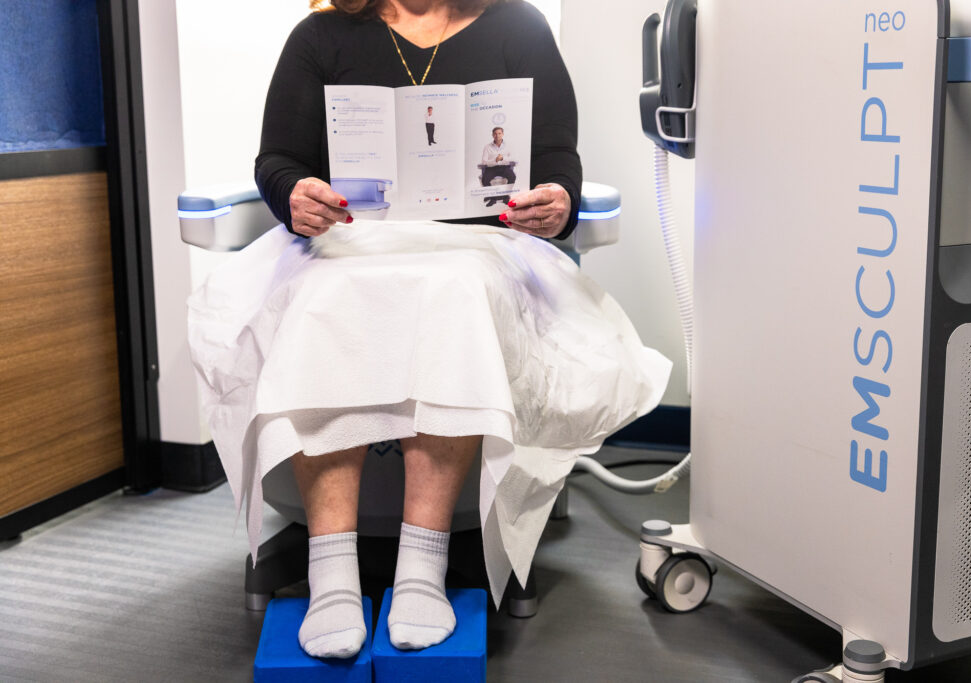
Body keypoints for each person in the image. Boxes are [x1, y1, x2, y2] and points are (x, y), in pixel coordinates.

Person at [190, 0, 669, 663]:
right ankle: (331, 571)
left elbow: (558, 160)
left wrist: (557, 199)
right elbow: (278, 160)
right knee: (325, 295)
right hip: (349, 248)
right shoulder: (320, 37)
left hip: (478, 253)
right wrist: (294, 192)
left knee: (452, 291)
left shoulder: (520, 28)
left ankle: (422, 565)